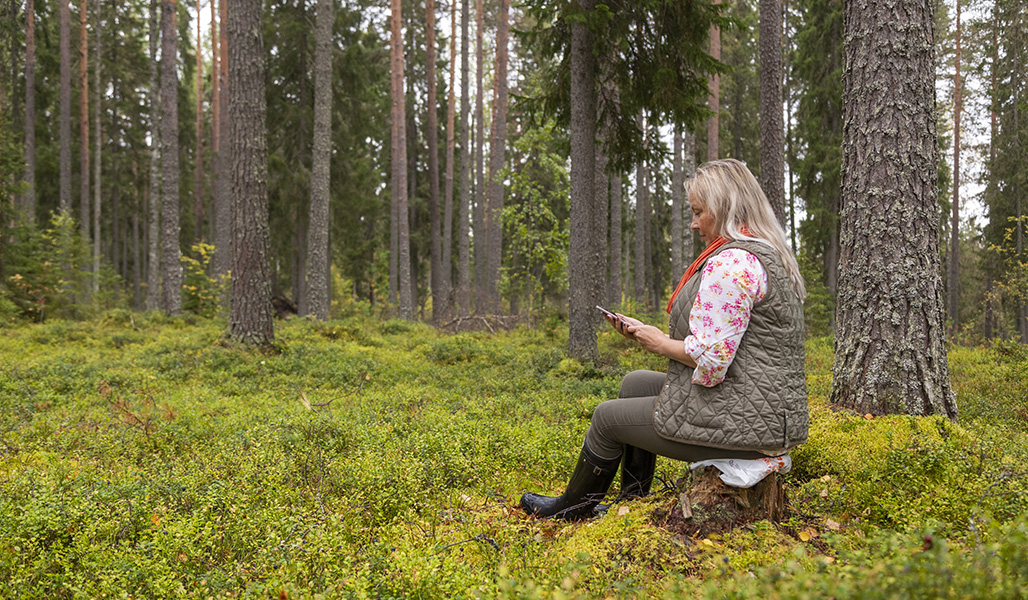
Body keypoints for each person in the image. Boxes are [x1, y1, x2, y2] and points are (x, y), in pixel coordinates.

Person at [520, 158, 808, 520]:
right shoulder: (764, 253)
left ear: (723, 207)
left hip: (747, 429)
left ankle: (569, 511)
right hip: (759, 411)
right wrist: (650, 335)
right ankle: (633, 502)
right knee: (634, 383)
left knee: (607, 419)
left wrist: (657, 342)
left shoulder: (732, 263)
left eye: (699, 211)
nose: (693, 223)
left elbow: (713, 359)